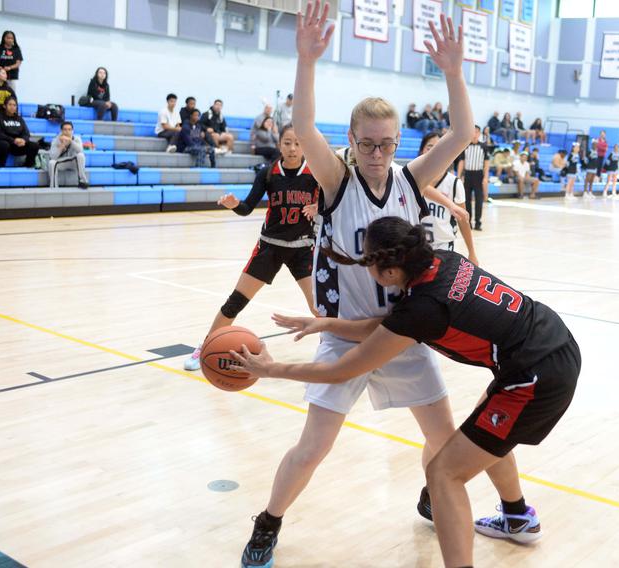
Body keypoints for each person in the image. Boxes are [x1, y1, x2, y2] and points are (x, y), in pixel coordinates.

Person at [235, 6, 476, 568]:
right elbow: (306, 126)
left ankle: (430, 494)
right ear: (352, 139)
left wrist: (453, 72)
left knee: (443, 439)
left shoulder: (412, 179)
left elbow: (464, 133)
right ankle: (268, 523)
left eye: (386, 143)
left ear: (397, 142)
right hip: (345, 338)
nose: (376, 153)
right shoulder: (337, 178)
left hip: (400, 336)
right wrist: (305, 60)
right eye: (367, 143)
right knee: (313, 447)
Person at [231, 216, 581, 568]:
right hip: (551, 341)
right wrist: (328, 324)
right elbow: (391, 326)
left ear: (390, 273)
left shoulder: (424, 308)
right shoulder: (445, 261)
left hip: (536, 376)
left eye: (368, 262)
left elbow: (342, 370)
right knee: (483, 431)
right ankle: (518, 518)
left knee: (444, 473)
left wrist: (270, 369)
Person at [183, 124, 320, 371]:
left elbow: (334, 205)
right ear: (279, 145)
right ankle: (205, 347)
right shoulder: (267, 174)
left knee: (319, 306)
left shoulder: (316, 175)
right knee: (236, 301)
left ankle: (340, 348)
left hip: (303, 249)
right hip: (270, 247)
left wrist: (318, 209)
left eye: (298, 143)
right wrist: (235, 204)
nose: (292, 148)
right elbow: (247, 208)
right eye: (287, 142)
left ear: (304, 146)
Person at [418, 132, 479, 263]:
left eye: (439, 147)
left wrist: (471, 252)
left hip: (443, 248)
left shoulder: (454, 183)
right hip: (416, 248)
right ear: (422, 150)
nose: (434, 151)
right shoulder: (412, 178)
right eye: (429, 147)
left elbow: (463, 220)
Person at [457, 125, 489, 231]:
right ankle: (468, 222)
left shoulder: (484, 147)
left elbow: (486, 163)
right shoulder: (465, 146)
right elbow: (462, 161)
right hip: (468, 175)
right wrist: (458, 176)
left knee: (479, 200)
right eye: (473, 132)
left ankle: (478, 222)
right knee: (467, 200)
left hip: (478, 175)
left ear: (479, 134)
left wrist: (485, 177)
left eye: (476, 132)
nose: (474, 134)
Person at [0, 96, 38, 168]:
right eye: (10, 104)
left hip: (17, 145)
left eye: (14, 105)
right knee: (4, 145)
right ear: (4, 106)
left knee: (34, 145)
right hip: (2, 143)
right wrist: (13, 140)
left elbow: (26, 133)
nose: (12, 107)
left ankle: (28, 166)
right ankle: (1, 167)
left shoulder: (19, 118)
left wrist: (23, 140)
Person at [48, 121, 89, 188]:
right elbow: (52, 157)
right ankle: (54, 187)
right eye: (65, 129)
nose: (67, 132)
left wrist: (71, 141)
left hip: (74, 162)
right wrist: (61, 146)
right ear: (61, 131)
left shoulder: (77, 138)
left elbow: (80, 151)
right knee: (51, 163)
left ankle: (82, 181)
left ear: (72, 130)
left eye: (69, 129)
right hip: (62, 162)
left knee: (80, 155)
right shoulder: (56, 140)